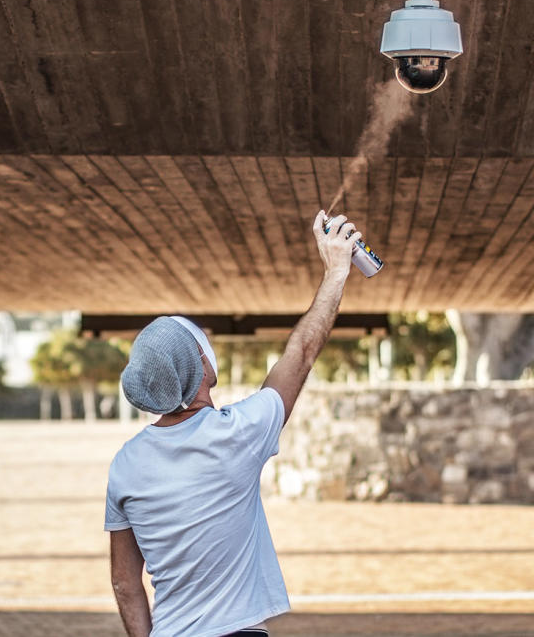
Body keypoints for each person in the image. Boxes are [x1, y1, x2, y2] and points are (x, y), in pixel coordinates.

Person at [105, 210, 363, 637]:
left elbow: (124, 583)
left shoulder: (125, 464)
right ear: (202, 369)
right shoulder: (237, 434)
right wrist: (336, 269)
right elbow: (302, 352)